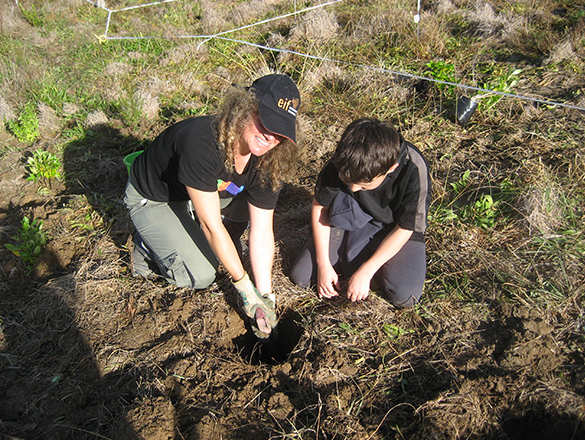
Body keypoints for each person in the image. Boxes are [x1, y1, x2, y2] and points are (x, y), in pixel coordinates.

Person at [124, 74, 301, 338]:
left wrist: (265, 296)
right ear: (243, 109)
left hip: (199, 193)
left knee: (242, 203)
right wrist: (244, 289)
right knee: (202, 274)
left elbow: (262, 230)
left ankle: (191, 230)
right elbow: (210, 225)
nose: (269, 136)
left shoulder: (269, 161)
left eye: (279, 131)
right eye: (264, 122)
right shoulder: (203, 142)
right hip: (156, 198)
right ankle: (147, 245)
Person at [289, 118, 430, 308]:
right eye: (349, 182)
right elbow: (320, 207)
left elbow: (406, 227)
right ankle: (346, 254)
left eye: (364, 184)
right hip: (350, 217)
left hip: (393, 227)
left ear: (391, 169)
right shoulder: (346, 157)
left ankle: (368, 261)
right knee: (302, 277)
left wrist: (367, 271)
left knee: (405, 296)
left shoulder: (413, 167)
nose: (354, 188)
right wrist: (323, 263)